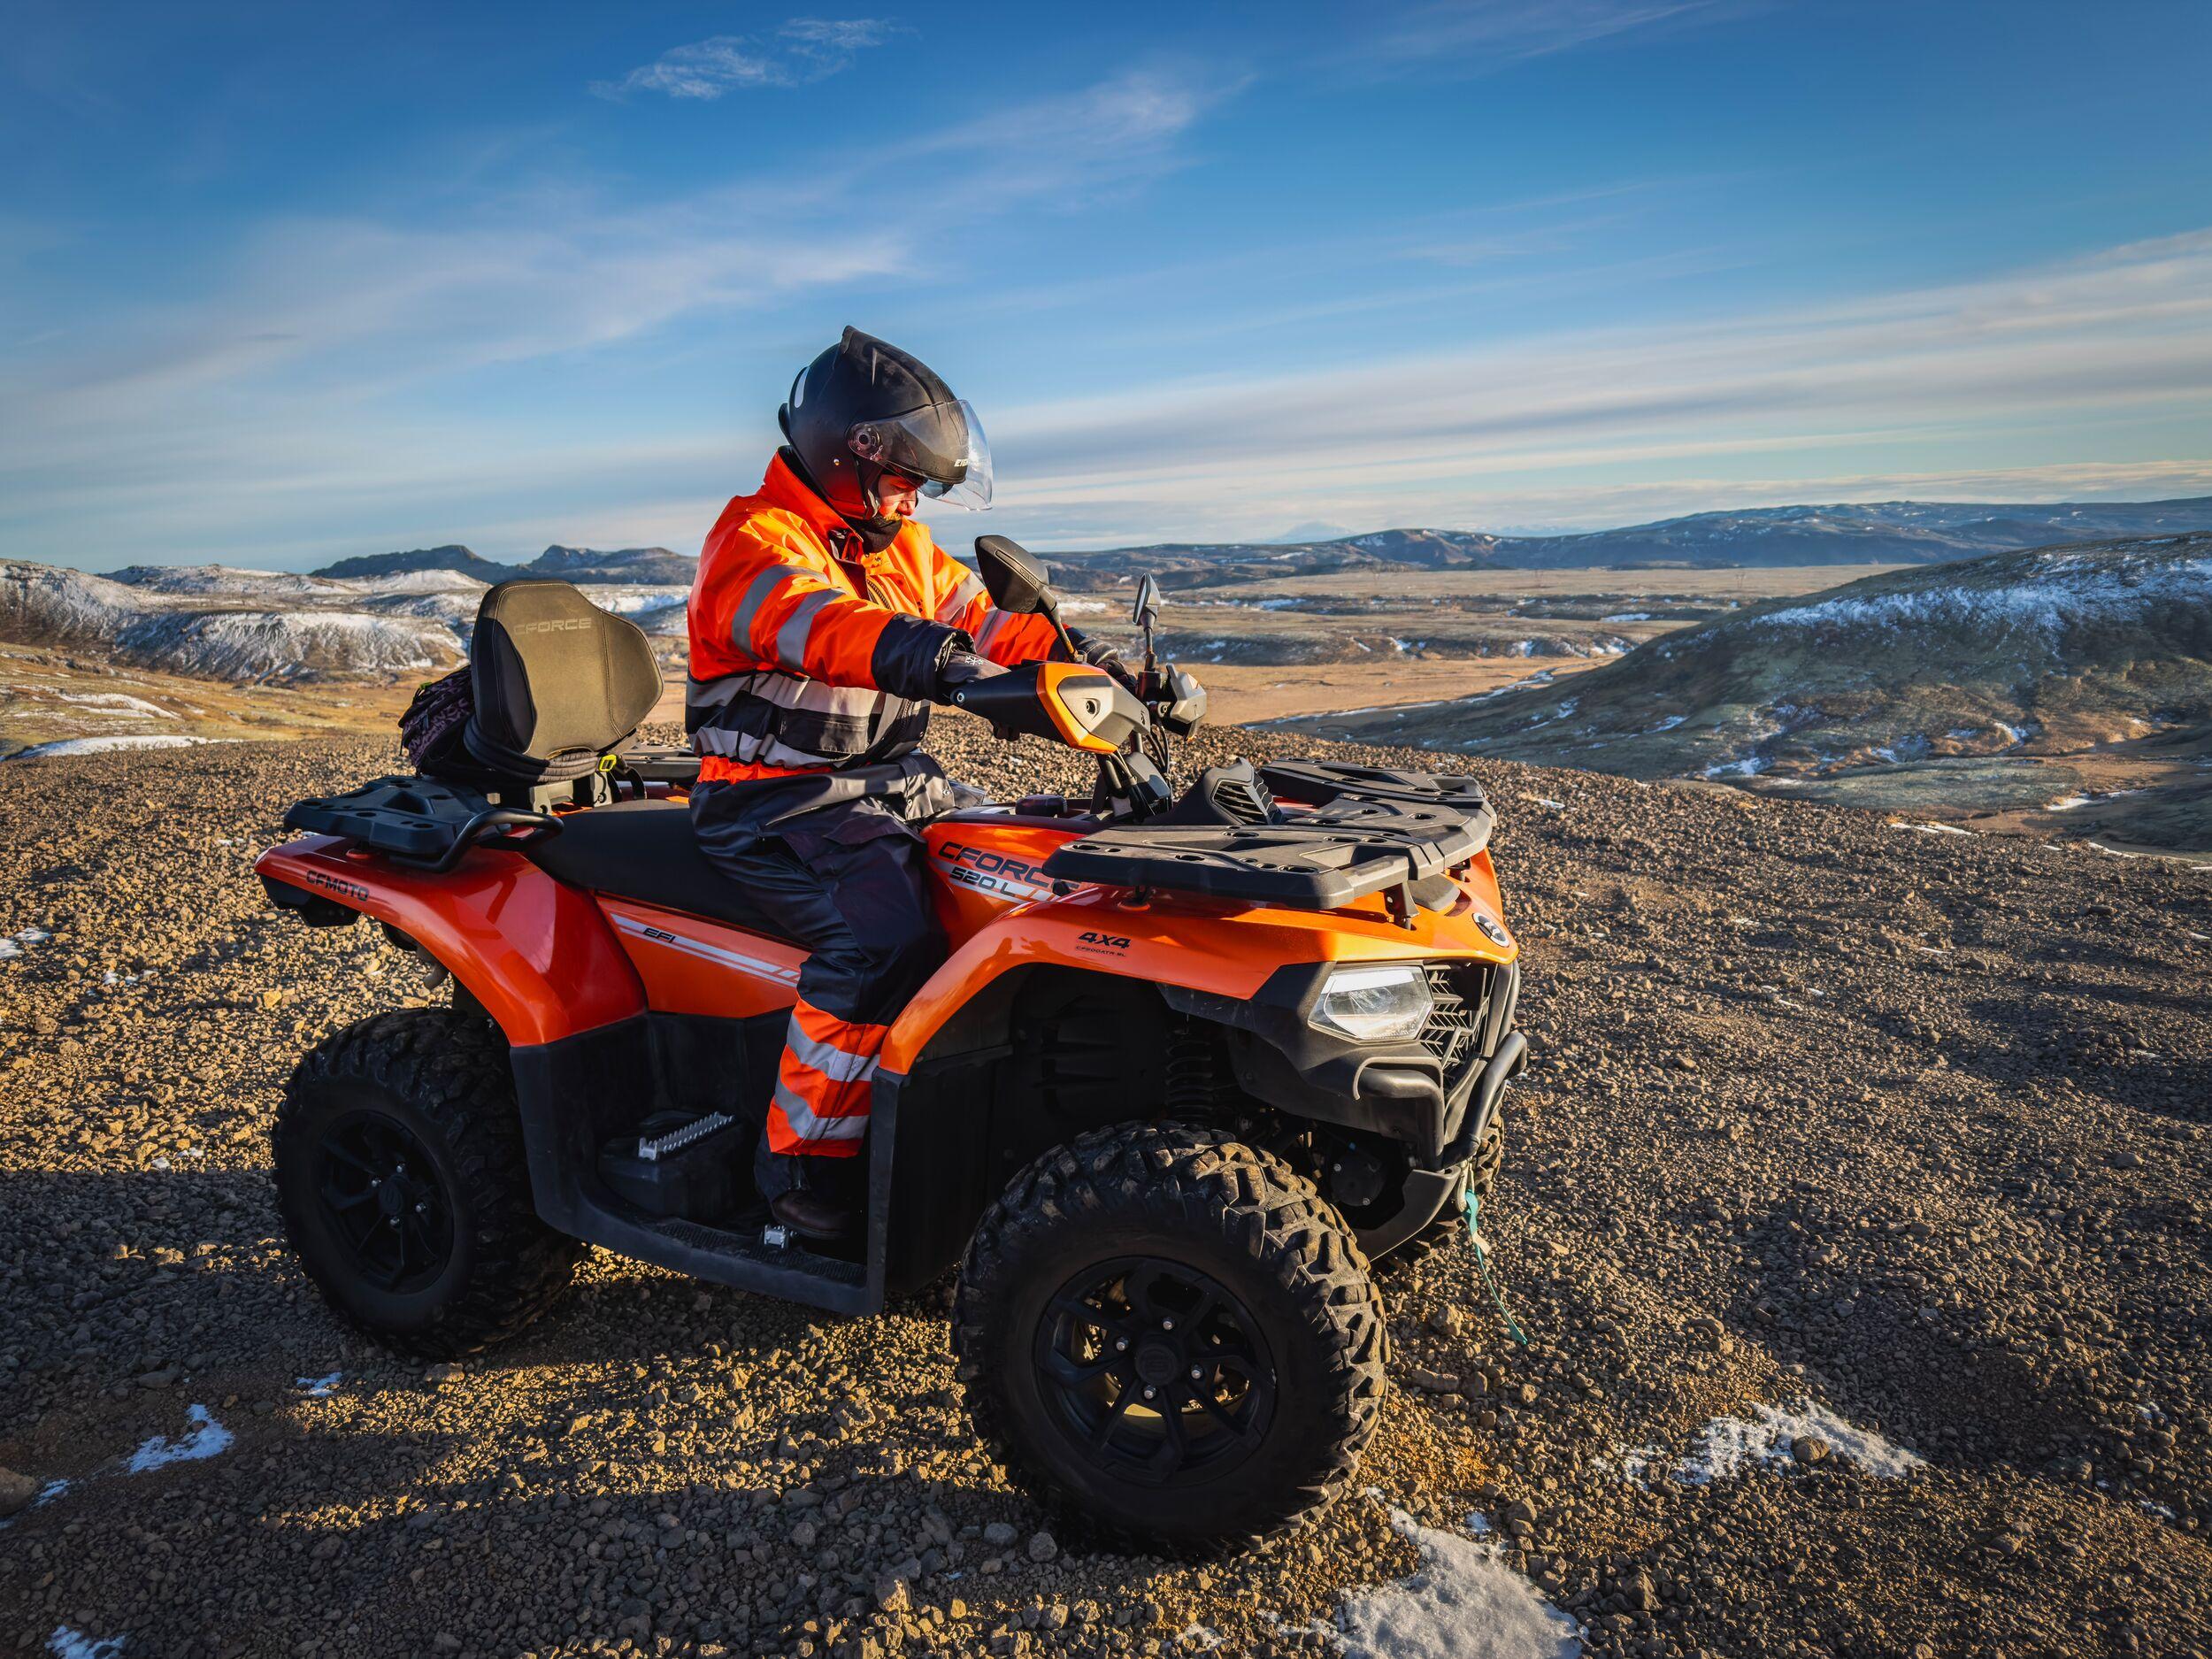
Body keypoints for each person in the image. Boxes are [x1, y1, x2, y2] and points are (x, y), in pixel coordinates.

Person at [686, 326, 1125, 1240]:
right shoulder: (754, 539)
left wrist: (1098, 663)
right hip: (772, 799)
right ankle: (804, 1167)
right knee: (879, 939)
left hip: (886, 786)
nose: (914, 496)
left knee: (1016, 879)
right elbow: (818, 624)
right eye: (905, 478)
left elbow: (987, 621)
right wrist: (928, 657)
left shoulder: (900, 546)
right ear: (849, 454)